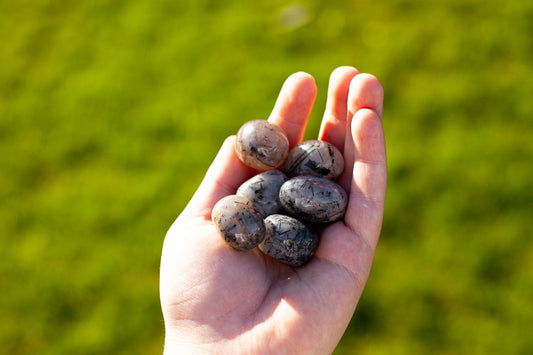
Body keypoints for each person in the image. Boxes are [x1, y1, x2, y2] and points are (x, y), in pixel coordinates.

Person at [159, 66, 387, 354]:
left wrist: (204, 339)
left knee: (291, 190)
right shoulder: (269, 195)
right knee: (288, 191)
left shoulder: (279, 189)